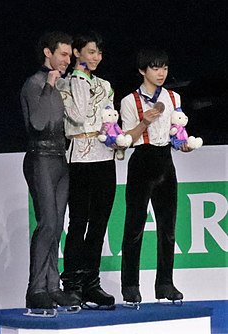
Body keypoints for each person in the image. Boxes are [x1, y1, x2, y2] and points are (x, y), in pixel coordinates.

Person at [120, 48, 191, 305]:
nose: (161, 73)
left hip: (165, 162)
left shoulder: (174, 96)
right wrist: (145, 121)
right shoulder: (130, 101)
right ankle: (130, 285)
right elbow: (126, 140)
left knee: (167, 229)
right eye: (155, 68)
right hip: (141, 162)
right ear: (142, 70)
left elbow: (176, 131)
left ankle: (165, 284)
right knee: (134, 228)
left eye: (164, 68)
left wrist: (181, 143)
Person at [21, 31, 79, 311]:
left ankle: (53, 287)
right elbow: (39, 122)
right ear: (48, 53)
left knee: (57, 225)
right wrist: (48, 86)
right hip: (40, 157)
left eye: (70, 55)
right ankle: (36, 289)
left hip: (60, 159)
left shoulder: (62, 85)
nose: (68, 60)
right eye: (63, 54)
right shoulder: (34, 83)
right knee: (46, 223)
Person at [58, 31, 116, 309]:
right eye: (90, 52)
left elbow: (109, 120)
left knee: (100, 224)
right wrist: (79, 76)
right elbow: (79, 115)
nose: (96, 57)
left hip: (103, 157)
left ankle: (92, 282)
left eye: (99, 53)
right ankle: (72, 284)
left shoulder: (104, 84)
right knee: (78, 222)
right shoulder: (67, 82)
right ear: (77, 52)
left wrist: (118, 140)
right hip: (79, 158)